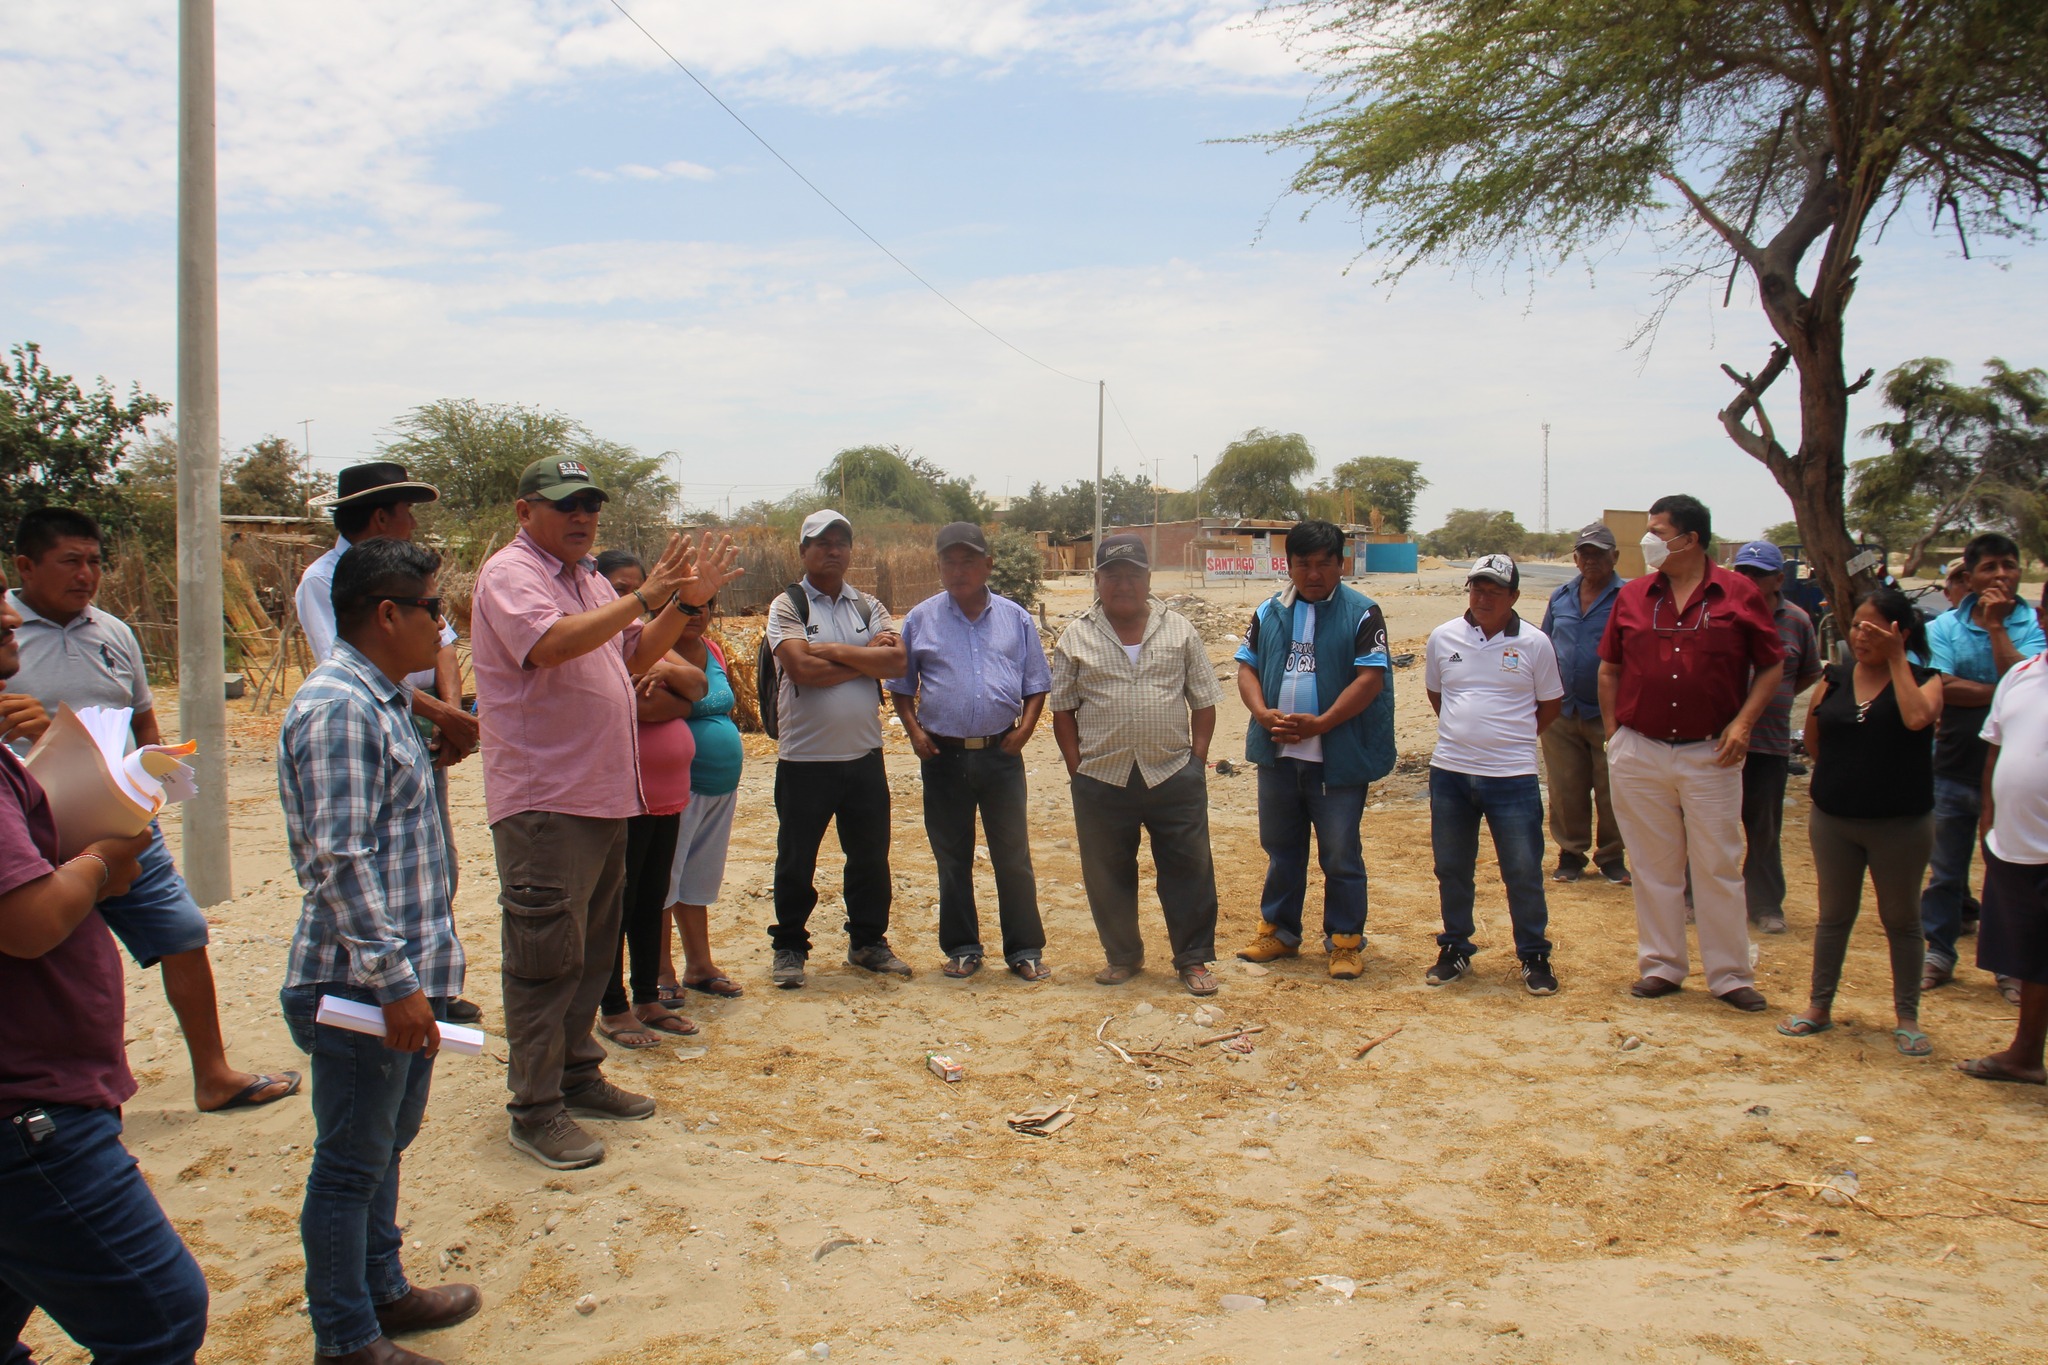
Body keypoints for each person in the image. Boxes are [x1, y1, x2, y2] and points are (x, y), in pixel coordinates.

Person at [470, 457, 736, 1170]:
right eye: (565, 506)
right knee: (542, 960)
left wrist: (680, 606)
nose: (581, 516)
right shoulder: (510, 574)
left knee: (589, 952)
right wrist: (645, 596)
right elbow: (550, 645)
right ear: (526, 511)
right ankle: (535, 1107)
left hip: (604, 796)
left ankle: (578, 1073)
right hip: (545, 803)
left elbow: (633, 654)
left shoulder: (585, 578)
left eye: (589, 504)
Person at [3, 506, 299, 1113]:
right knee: (59, 958)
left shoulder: (113, 632)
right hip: (29, 835)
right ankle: (75, 1095)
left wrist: (150, 781)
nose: (86, 575)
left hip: (120, 820)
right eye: (70, 562)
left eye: (94, 562)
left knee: (183, 933)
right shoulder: (5, 639)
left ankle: (212, 1074)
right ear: (26, 565)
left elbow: (142, 721)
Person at [277, 538, 482, 1365]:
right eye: (434, 610)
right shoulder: (340, 708)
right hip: (358, 983)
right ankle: (346, 1334)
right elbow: (339, 861)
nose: (444, 628)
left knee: (384, 1142)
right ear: (387, 613)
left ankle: (382, 1289)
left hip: (403, 981)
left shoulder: (390, 698)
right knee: (350, 1161)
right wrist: (395, 984)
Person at [1, 593, 209, 1365]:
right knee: (159, 1314)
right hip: (30, 1112)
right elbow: (25, 920)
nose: (10, 628)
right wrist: (99, 862)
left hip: (37, 1097)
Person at [297, 462, 482, 1025]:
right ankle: (392, 985)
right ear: (381, 515)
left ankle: (430, 982)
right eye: (406, 513)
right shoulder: (324, 585)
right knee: (371, 853)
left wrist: (449, 715)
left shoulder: (408, 578)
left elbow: (443, 645)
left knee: (428, 854)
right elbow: (364, 665)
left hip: (422, 721)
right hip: (390, 719)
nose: (412, 523)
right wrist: (442, 716)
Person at [1598, 495, 1784, 1010]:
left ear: (1691, 539)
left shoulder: (1738, 594)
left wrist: (1744, 723)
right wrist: (1616, 735)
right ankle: (1662, 965)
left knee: (1717, 863)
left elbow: (1771, 665)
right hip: (1640, 750)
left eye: (1659, 530)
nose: (1649, 539)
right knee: (1654, 865)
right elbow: (1609, 667)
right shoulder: (1634, 596)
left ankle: (1729, 974)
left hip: (1711, 754)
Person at [1050, 534, 1224, 996]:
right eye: (1112, 575)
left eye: (1132, 574)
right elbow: (1062, 710)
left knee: (1188, 870)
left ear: (1147, 578)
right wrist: (1077, 769)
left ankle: (1193, 959)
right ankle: (1123, 956)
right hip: (1101, 778)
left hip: (1172, 772)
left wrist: (1197, 760)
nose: (1122, 584)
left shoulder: (1179, 629)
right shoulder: (1076, 635)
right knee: (1108, 872)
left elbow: (1204, 701)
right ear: (1098, 580)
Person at [1778, 588, 1944, 1056]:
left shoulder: (1926, 679)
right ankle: (1819, 1007)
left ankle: (1907, 1016)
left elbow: (1916, 720)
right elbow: (1813, 737)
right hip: (1834, 819)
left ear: (1901, 632)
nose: (1861, 636)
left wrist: (1897, 663)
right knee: (1834, 916)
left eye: (1874, 629)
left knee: (1901, 918)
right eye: (1857, 627)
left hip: (1901, 823)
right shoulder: (1836, 677)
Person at [888, 522, 1054, 981]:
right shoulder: (920, 619)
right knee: (952, 857)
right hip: (942, 756)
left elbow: (1037, 683)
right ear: (938, 566)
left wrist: (1025, 730)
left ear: (988, 564)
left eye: (968, 560)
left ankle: (1024, 950)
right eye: (948, 561)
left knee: (1013, 855)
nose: (957, 570)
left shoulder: (1015, 618)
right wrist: (914, 732)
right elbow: (901, 686)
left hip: (1001, 753)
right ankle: (962, 947)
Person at [1232, 519, 1394, 979]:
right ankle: (1279, 933)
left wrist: (1322, 723)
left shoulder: (1363, 613)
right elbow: (1246, 668)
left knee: (1340, 852)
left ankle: (1345, 941)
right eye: (1304, 564)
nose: (1314, 574)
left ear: (1340, 564)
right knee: (1281, 849)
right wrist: (1263, 714)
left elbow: (1370, 679)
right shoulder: (1269, 612)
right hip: (1279, 757)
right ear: (1290, 565)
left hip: (1337, 759)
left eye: (1325, 563)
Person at [765, 510, 911, 989]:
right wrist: (862, 656)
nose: (832, 550)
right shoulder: (787, 606)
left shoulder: (868, 605)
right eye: (821, 542)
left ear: (851, 551)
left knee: (870, 858)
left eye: (841, 542)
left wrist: (827, 650)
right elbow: (801, 671)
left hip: (864, 758)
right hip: (805, 761)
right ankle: (789, 947)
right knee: (796, 859)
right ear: (802, 551)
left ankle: (867, 942)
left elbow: (894, 660)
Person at [1423, 555, 1565, 994]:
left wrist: (1508, 739)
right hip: (1450, 773)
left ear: (1514, 597)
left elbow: (1550, 705)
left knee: (1522, 869)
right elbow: (1437, 694)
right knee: (1451, 867)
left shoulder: (1535, 643)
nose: (1483, 598)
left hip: (1513, 777)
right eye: (1476, 589)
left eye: (1494, 591)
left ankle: (1534, 955)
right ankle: (1456, 946)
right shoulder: (1443, 637)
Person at [1919, 532, 2045, 1002]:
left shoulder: (2033, 623)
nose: (2001, 575)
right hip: (1953, 765)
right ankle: (1939, 953)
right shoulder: (1944, 628)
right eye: (1990, 567)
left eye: (2008, 566)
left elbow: (2034, 681)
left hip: (2015, 773)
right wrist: (2010, 688)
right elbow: (1941, 686)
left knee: (2009, 873)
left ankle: (2009, 965)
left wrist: (1996, 629)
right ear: (1969, 577)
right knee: (1947, 870)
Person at [592, 550, 703, 1049]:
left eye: (642, 589)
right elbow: (626, 703)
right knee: (619, 902)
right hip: (624, 795)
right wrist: (664, 689)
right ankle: (611, 1006)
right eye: (621, 589)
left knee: (651, 898)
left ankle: (646, 997)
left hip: (667, 796)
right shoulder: (596, 640)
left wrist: (666, 683)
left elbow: (695, 688)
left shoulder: (642, 638)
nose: (635, 600)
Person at [1955, 650, 2048, 1085]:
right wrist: (1990, 823)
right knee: (2032, 955)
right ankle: (2026, 1054)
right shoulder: (2021, 675)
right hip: (2016, 843)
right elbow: (1995, 752)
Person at [653, 590, 746, 1004]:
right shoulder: (652, 652)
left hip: (719, 786)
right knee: (663, 882)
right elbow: (650, 706)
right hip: (676, 786)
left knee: (698, 879)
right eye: (685, 605)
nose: (696, 614)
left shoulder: (711, 650)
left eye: (703, 605)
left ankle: (699, 965)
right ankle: (659, 970)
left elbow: (720, 709)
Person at [1727, 542, 1823, 934]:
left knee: (1764, 827)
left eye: (1758, 574)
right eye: (1742, 572)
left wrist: (1774, 697)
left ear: (1778, 580)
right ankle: (1694, 896)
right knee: (1708, 825)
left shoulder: (1797, 620)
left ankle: (1765, 904)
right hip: (1719, 742)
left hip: (1768, 744)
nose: (1748, 581)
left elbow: (1808, 672)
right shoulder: (1721, 615)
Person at [1540, 522, 1630, 885]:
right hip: (1561, 709)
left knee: (1614, 787)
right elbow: (1544, 645)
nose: (1591, 560)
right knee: (1565, 786)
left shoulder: (1629, 597)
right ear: (1576, 558)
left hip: (1610, 712)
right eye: (1585, 553)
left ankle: (1611, 856)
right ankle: (1570, 853)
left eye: (1599, 553)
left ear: (1615, 557)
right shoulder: (1561, 595)